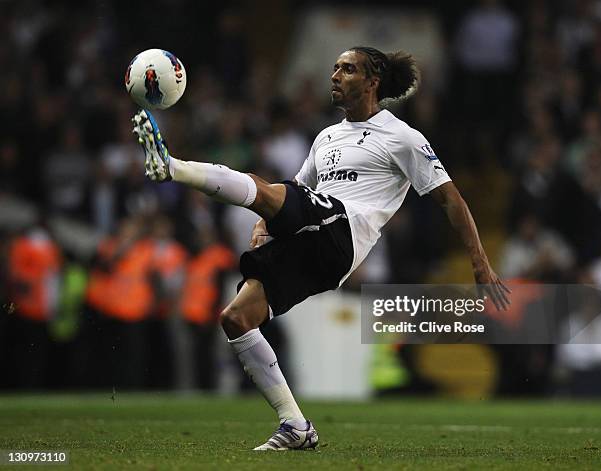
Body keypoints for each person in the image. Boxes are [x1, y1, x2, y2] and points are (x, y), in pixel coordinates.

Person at [132, 46, 510, 450]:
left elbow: (452, 200)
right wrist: (264, 220)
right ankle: (295, 425)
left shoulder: (403, 137)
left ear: (372, 81)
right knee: (237, 318)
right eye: (334, 67)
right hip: (313, 240)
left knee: (262, 188)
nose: (335, 75)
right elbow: (295, 190)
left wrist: (481, 265)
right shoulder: (326, 136)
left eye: (347, 69)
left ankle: (171, 167)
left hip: (345, 233)